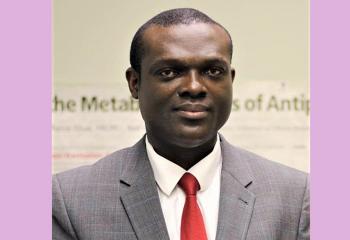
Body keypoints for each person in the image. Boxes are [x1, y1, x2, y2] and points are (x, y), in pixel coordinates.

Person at [53, 8, 309, 240]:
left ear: (231, 80)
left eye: (213, 72)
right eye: (169, 72)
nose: (194, 87)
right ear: (135, 83)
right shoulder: (70, 200)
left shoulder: (296, 198)